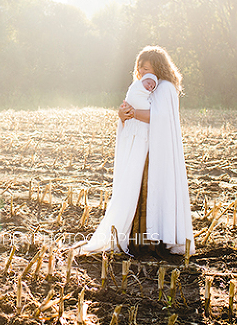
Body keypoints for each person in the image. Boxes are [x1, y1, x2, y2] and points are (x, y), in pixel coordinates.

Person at [77, 46, 194, 256]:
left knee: (151, 191)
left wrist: (132, 113)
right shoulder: (141, 86)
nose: (141, 70)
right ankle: (135, 241)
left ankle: (153, 242)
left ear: (158, 67)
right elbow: (132, 113)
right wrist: (123, 115)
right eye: (139, 66)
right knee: (137, 191)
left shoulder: (166, 87)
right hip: (142, 148)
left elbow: (161, 117)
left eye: (146, 66)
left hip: (157, 152)